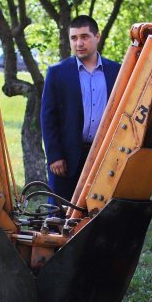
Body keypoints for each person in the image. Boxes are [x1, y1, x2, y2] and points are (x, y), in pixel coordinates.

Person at [41, 15, 121, 203]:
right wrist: (54, 156)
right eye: (74, 38)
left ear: (97, 37)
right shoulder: (57, 72)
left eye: (85, 37)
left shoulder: (117, 71)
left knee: (99, 211)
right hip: (66, 159)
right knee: (60, 212)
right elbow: (48, 118)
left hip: (104, 157)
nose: (79, 43)